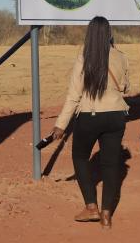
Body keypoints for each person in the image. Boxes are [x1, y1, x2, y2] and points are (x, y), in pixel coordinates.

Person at [50, 16, 130, 229]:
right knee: (111, 165)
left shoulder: (83, 58)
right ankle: (106, 215)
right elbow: (125, 87)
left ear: (89, 34)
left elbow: (73, 95)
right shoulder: (121, 57)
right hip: (116, 116)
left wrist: (61, 124)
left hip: (90, 115)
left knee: (80, 156)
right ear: (109, 34)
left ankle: (91, 206)